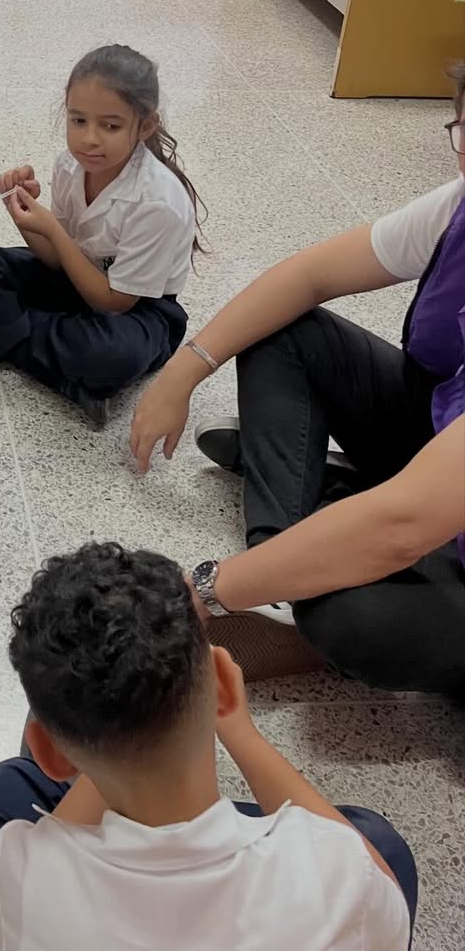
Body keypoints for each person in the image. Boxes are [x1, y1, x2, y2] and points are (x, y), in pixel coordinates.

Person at [130, 62, 465, 694]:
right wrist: (183, 371)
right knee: (282, 330)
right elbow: (307, 276)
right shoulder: (459, 204)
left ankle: (328, 521)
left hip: (437, 506)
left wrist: (206, 589)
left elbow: (406, 524)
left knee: (354, 617)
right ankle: (286, 565)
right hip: (442, 429)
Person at [0, 541, 416, 950]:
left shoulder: (19, 871)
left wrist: (108, 731)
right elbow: (385, 901)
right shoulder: (342, 876)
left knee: (5, 788)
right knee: (380, 840)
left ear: (51, 753)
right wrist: (240, 731)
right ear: (225, 685)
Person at [0, 45, 199, 426]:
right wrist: (24, 215)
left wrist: (51, 229)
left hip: (137, 309)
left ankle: (16, 339)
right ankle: (65, 373)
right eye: (78, 121)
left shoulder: (158, 202)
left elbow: (113, 302)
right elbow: (55, 261)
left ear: (145, 127)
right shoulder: (69, 166)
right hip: (75, 279)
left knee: (111, 355)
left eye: (110, 126)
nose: (89, 139)